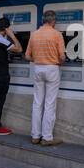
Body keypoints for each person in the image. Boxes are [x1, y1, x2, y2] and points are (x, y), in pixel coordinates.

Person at [25, 10, 66, 146]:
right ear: (53, 21)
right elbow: (62, 57)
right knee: (50, 103)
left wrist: (39, 60)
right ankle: (47, 137)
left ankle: (35, 136)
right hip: (52, 69)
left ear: (43, 20)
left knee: (37, 103)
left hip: (38, 68)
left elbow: (27, 56)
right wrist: (58, 61)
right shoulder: (57, 34)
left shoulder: (34, 35)